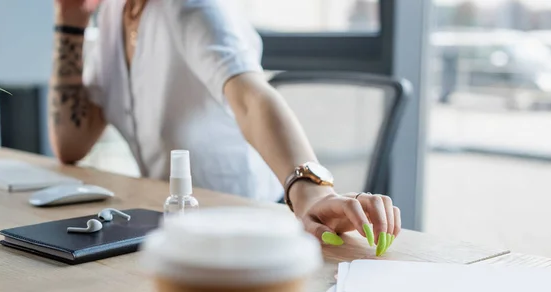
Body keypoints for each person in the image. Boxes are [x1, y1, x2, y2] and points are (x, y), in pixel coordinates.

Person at [51, 0, 401, 247]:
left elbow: (251, 99)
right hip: (172, 226)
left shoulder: (194, 6)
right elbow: (71, 143)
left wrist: (314, 193)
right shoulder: (115, 13)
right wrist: (71, 18)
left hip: (250, 225)